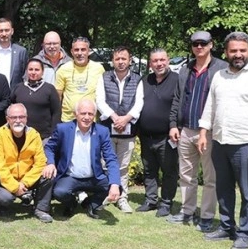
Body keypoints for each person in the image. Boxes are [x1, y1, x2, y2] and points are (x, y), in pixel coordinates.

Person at [197, 32, 248, 249]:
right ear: (226, 52)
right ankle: (227, 227)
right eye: (233, 51)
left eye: (242, 50)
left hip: (247, 143)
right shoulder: (219, 76)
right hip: (220, 142)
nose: (238, 54)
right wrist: (203, 132)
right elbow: (210, 106)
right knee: (223, 188)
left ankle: (245, 233)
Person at [167, 30, 226, 231]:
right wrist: (173, 125)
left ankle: (207, 216)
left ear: (211, 44)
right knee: (186, 176)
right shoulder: (185, 69)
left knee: (210, 178)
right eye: (195, 44)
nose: (199, 47)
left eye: (203, 43)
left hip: (208, 132)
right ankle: (187, 211)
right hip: (186, 130)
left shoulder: (221, 69)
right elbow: (177, 99)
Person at [43, 99, 121, 219]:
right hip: (70, 176)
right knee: (60, 192)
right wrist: (50, 163)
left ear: (94, 116)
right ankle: (71, 203)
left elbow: (111, 158)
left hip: (94, 178)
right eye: (83, 113)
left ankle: (90, 203)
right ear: (75, 114)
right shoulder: (63, 129)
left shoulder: (102, 131)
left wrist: (115, 184)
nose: (87, 117)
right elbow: (49, 148)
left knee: (116, 186)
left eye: (90, 114)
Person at [95, 46, 144, 214]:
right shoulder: (104, 77)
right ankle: (106, 194)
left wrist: (126, 119)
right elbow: (100, 100)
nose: (121, 62)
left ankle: (122, 198)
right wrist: (115, 117)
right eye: (117, 59)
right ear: (112, 61)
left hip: (128, 130)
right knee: (105, 164)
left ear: (130, 60)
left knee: (123, 166)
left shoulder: (137, 79)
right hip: (107, 129)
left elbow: (139, 102)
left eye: (124, 58)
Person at [0, 104, 53, 223]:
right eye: (14, 117)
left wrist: (25, 182)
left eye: (21, 117)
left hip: (28, 178)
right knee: (4, 198)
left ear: (26, 118)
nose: (18, 120)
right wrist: (15, 186)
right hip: (8, 180)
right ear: (7, 119)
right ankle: (2, 206)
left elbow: (40, 162)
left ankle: (41, 209)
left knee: (48, 174)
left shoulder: (34, 134)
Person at [136, 48, 179, 217]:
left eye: (162, 60)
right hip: (146, 136)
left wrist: (175, 127)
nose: (159, 64)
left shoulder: (177, 80)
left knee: (169, 171)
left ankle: (166, 202)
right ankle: (150, 200)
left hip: (167, 137)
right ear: (150, 63)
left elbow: (179, 106)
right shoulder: (145, 80)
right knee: (149, 171)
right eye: (155, 61)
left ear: (168, 60)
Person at [54, 37, 106, 122]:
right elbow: (57, 97)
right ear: (72, 52)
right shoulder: (63, 69)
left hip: (90, 119)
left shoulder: (99, 68)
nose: (79, 53)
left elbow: (103, 94)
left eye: (83, 50)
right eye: (76, 50)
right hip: (68, 119)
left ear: (89, 51)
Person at [9, 58, 61, 142]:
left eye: (37, 70)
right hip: (21, 134)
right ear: (26, 71)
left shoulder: (50, 89)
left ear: (42, 72)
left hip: (43, 137)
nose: (33, 72)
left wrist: (53, 134)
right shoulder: (18, 88)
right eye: (30, 69)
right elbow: (10, 107)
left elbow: (56, 112)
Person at [0, 18, 28, 88]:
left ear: (12, 31)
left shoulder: (21, 52)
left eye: (7, 30)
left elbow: (25, 74)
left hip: (14, 92)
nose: (4, 34)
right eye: (0, 31)